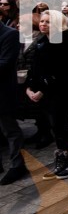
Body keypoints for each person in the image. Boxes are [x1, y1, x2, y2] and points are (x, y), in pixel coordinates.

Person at [26, 10, 68, 179]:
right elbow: (34, 69)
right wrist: (29, 87)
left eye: (48, 22)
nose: (43, 24)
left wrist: (42, 90)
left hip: (59, 93)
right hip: (44, 93)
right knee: (55, 127)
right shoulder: (42, 41)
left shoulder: (64, 43)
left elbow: (63, 73)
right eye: (42, 21)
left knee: (61, 127)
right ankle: (63, 155)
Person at [0, 21, 23, 184]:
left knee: (10, 130)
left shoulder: (10, 34)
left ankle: (18, 165)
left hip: (3, 92)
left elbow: (5, 63)